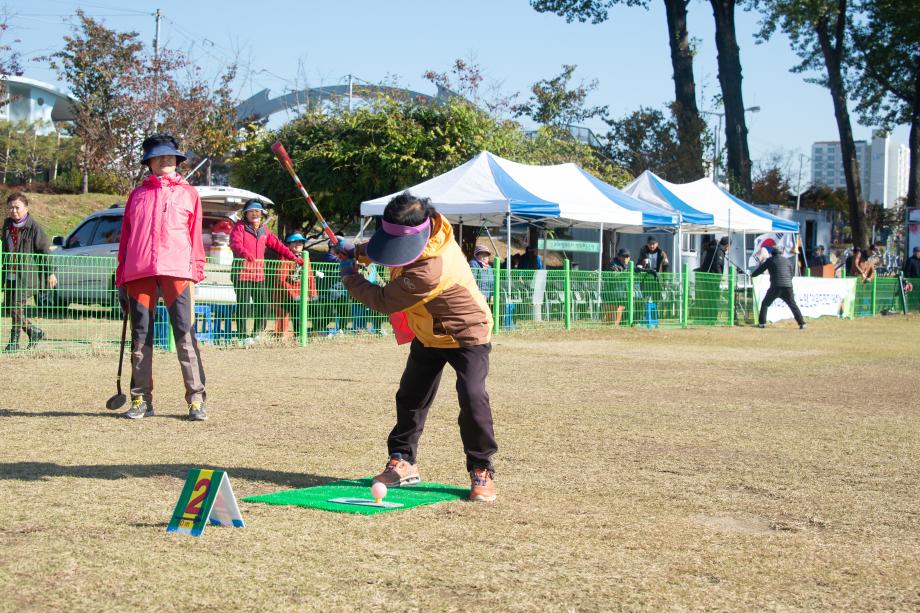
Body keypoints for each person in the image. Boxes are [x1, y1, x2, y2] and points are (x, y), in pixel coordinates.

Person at [332, 192, 498, 502]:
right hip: (427, 330)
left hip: (466, 332)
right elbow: (391, 249)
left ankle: (481, 468)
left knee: (472, 397)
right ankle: (403, 460)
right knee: (411, 396)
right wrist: (356, 251)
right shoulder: (431, 225)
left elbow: (383, 300)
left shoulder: (430, 269)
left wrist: (349, 275)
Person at [115, 134, 208, 420]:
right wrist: (121, 275)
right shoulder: (137, 195)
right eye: (159, 157)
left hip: (178, 271)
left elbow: (196, 236)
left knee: (185, 336)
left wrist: (197, 271)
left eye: (171, 156)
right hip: (139, 271)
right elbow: (126, 238)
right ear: (150, 163)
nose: (166, 160)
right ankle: (141, 399)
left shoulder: (189, 193)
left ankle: (196, 399)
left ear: (177, 161)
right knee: (140, 338)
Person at [229, 199, 303, 342]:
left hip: (259, 274)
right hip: (242, 273)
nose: (255, 214)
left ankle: (257, 334)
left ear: (262, 214)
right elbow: (235, 243)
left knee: (262, 305)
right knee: (243, 305)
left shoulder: (264, 230)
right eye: (251, 212)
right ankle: (243, 336)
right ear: (245, 214)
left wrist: (293, 257)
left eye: (257, 212)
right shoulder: (240, 227)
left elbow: (278, 246)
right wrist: (244, 253)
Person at [2, 193, 57, 352]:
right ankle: (33, 332)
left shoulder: (34, 227)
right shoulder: (7, 225)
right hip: (10, 273)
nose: (14, 211)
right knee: (11, 308)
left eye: (17, 207)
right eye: (10, 207)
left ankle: (14, 342)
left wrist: (50, 273)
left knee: (15, 308)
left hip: (26, 276)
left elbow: (45, 251)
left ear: (26, 208)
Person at [274, 233, 317, 338]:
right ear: (288, 245)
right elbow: (281, 279)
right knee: (283, 316)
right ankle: (281, 337)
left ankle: (301, 336)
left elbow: (310, 277)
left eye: (301, 242)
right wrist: (293, 294)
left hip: (301, 294)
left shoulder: (305, 257)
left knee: (302, 314)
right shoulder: (284, 257)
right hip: (284, 295)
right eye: (295, 242)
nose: (298, 244)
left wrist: (313, 293)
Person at [751, 246, 806, 330]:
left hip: (775, 286)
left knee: (765, 303)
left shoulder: (770, 260)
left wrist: (752, 275)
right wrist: (787, 282)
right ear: (781, 253)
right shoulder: (787, 261)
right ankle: (802, 323)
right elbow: (791, 274)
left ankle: (762, 323)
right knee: (793, 305)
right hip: (788, 286)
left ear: (772, 254)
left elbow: (760, 270)